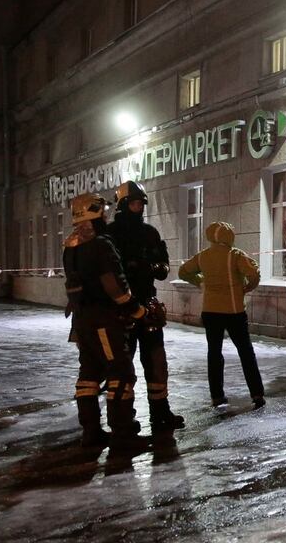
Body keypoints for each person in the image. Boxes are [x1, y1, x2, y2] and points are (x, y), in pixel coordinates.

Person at [63, 192, 151, 451]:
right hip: (104, 319)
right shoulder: (101, 244)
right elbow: (115, 286)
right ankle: (123, 434)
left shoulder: (70, 246)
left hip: (81, 321)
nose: (105, 216)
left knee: (88, 375)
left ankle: (91, 432)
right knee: (120, 373)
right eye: (102, 212)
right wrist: (137, 311)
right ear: (95, 213)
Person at [106, 180, 185, 433]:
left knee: (156, 363)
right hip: (121, 309)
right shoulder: (110, 235)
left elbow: (163, 267)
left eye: (141, 203)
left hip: (148, 307)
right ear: (122, 205)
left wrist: (150, 267)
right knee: (122, 367)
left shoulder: (150, 233)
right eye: (134, 203)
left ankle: (161, 413)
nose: (138, 207)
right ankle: (123, 420)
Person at [178, 221, 265, 408]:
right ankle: (257, 393)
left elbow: (183, 271)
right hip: (234, 311)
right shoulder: (235, 255)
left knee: (214, 353)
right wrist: (248, 287)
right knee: (246, 352)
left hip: (210, 311)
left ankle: (217, 396)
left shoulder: (202, 257)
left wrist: (200, 281)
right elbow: (254, 273)